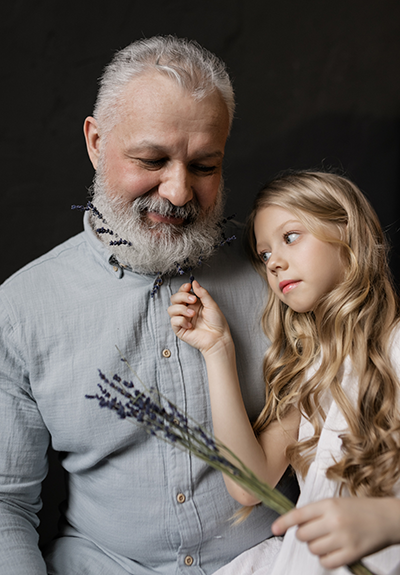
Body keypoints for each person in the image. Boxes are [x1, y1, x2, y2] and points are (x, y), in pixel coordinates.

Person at [0, 36, 298, 575]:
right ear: (95, 142)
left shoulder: (281, 275)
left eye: (205, 165)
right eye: (151, 159)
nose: (180, 191)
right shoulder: (21, 310)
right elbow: (5, 506)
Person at [169, 170, 400, 574]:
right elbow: (247, 485)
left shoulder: (395, 349)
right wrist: (218, 350)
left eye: (290, 237)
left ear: (346, 231)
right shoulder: (313, 371)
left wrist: (387, 519)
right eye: (263, 254)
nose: (273, 262)